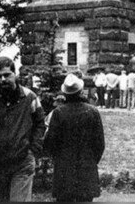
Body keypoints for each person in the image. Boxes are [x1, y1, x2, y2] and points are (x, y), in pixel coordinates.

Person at [0, 57, 46, 202]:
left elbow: (40, 124)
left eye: (7, 75)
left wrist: (33, 150)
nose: (2, 79)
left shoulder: (29, 97)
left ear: (15, 74)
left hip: (22, 163)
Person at [43, 74, 105, 202]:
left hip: (64, 170)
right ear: (80, 92)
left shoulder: (59, 113)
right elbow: (99, 144)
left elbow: (50, 142)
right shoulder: (92, 112)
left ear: (65, 94)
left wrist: (57, 158)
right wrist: (91, 160)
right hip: (86, 168)